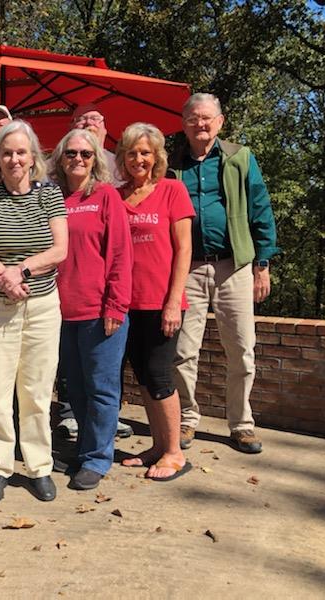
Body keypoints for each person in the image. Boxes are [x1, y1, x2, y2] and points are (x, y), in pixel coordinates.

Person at [169, 93, 279, 454]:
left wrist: (263, 264)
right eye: (193, 118)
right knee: (183, 351)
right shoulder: (171, 164)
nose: (200, 124)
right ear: (183, 124)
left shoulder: (240, 158)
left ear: (220, 122)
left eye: (207, 118)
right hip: (187, 268)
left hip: (235, 266)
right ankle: (186, 419)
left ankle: (242, 425)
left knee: (242, 349)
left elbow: (260, 208)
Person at [0, 119, 68, 503]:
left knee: (37, 391)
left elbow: (60, 249)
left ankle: (39, 466)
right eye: (7, 153)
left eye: (21, 152)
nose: (14, 159)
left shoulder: (50, 195)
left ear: (32, 157)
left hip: (42, 307)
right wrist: (4, 278)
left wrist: (21, 271)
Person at [49, 129, 133, 490]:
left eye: (85, 154)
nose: (78, 159)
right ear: (60, 158)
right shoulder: (52, 197)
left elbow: (120, 254)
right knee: (76, 390)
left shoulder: (105, 196)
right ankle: (85, 448)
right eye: (71, 153)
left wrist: (116, 305)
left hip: (99, 311)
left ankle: (97, 458)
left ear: (95, 158)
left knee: (101, 389)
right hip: (58, 312)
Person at [116, 122, 194, 481]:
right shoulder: (116, 196)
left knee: (160, 375)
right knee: (144, 377)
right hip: (126, 303)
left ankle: (175, 452)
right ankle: (158, 446)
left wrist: (173, 301)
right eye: (132, 153)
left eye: (145, 152)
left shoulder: (172, 190)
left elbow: (184, 250)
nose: (138, 159)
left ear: (157, 156)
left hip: (161, 302)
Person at [72, 103, 125, 188]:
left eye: (95, 118)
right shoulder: (55, 165)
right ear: (70, 129)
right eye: (80, 119)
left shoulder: (119, 165)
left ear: (105, 130)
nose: (88, 122)